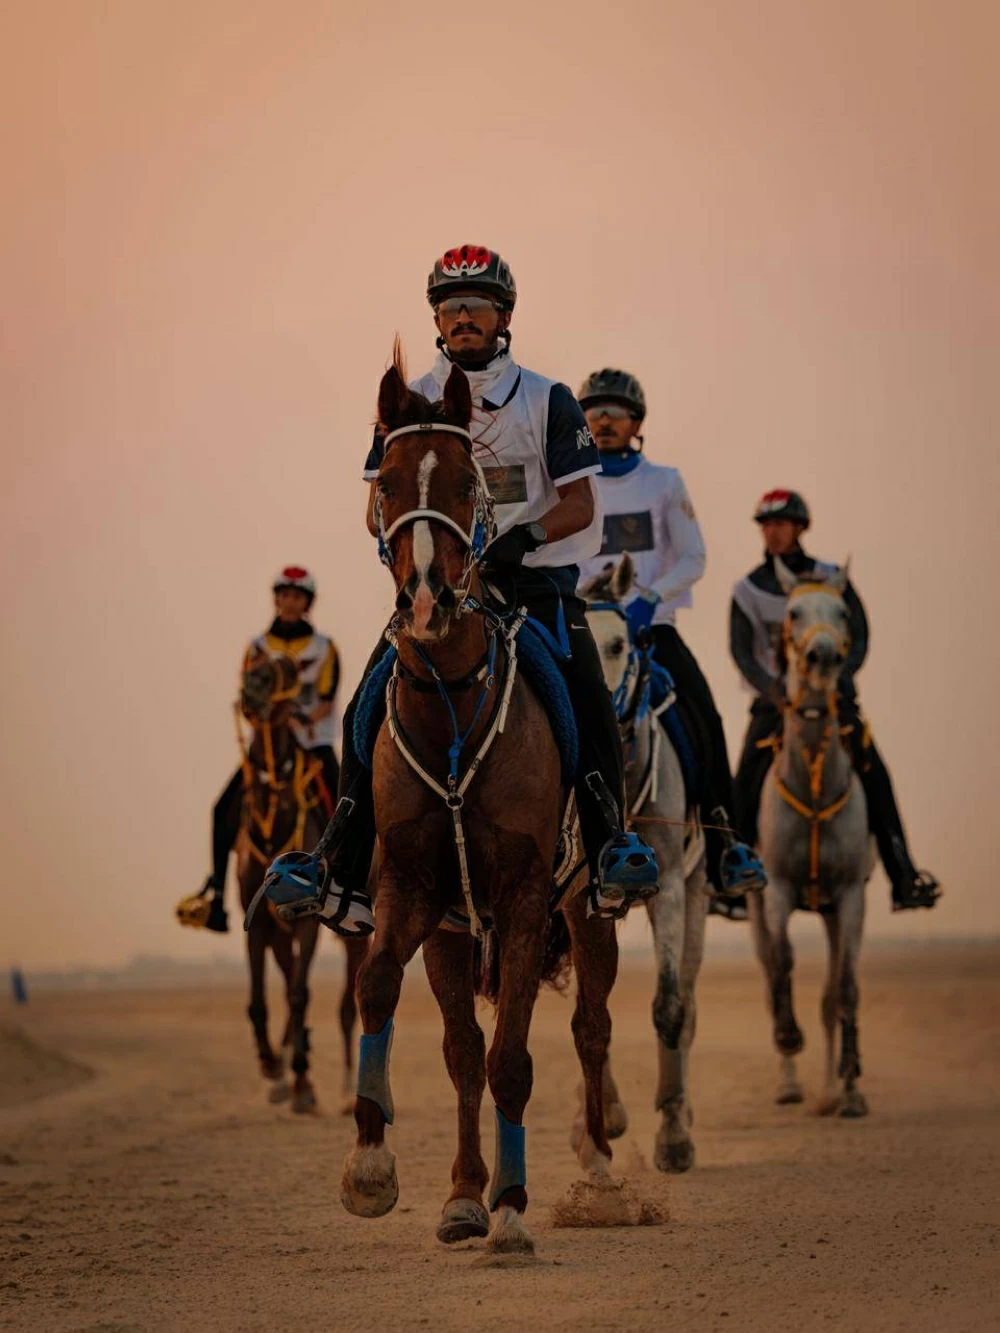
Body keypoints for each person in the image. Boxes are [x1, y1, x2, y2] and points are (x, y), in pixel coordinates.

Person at [290, 243, 658, 936]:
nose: (463, 318)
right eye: (451, 306)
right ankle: (340, 866)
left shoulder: (548, 399)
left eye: (477, 306)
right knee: (365, 703)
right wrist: (415, 550)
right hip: (443, 589)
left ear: (503, 316)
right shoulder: (410, 401)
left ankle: (610, 847)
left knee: (586, 693)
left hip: (534, 585)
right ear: (437, 318)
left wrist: (523, 536)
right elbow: (375, 505)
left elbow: (582, 505)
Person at [576, 368, 766, 910]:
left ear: (637, 424)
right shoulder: (568, 485)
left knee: (705, 715)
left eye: (617, 412)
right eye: (595, 411)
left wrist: (650, 598)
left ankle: (727, 844)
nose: (605, 420)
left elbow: (693, 557)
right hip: (585, 629)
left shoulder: (664, 482)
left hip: (650, 628)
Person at [730, 489, 940, 911]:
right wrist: (773, 690)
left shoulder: (832, 578)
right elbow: (742, 652)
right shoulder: (748, 589)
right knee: (745, 781)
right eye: (766, 525)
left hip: (832, 701)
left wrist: (841, 679)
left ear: (800, 528)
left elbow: (859, 636)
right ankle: (731, 879)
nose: (773, 533)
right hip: (775, 705)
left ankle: (903, 875)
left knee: (875, 773)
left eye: (781, 524)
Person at [194, 566, 342, 932]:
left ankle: (347, 887)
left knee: (345, 808)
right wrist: (267, 721)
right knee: (221, 810)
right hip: (268, 750)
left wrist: (297, 718)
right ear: (276, 599)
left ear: (307, 602)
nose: (290, 601)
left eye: (298, 596)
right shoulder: (257, 648)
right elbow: (248, 701)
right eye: (284, 594)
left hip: (311, 744)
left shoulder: (325, 648)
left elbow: (326, 701)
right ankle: (216, 897)